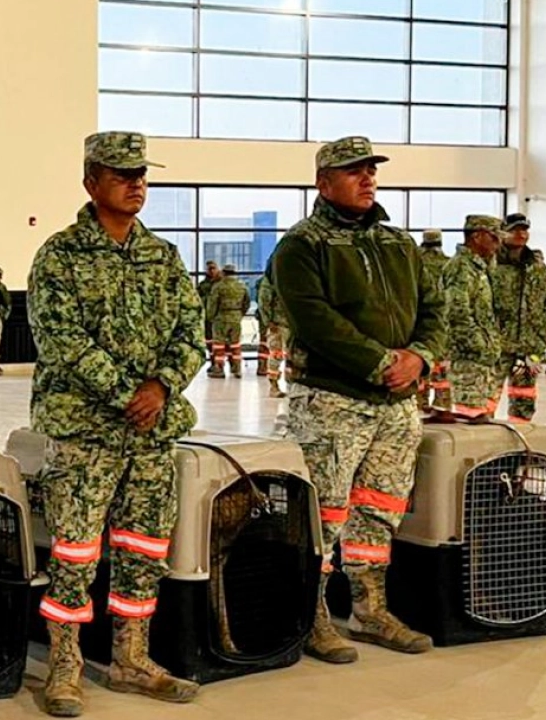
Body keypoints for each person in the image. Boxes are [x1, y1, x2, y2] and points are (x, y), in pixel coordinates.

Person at [28, 131, 205, 715]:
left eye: (140, 175)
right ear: (91, 183)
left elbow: (190, 334)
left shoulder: (163, 256)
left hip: (150, 435)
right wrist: (128, 392)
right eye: (121, 174)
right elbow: (61, 341)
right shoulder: (60, 255)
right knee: (75, 552)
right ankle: (66, 666)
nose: (135, 184)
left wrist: (158, 389)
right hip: (85, 433)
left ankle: (131, 658)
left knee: (143, 548)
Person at [272, 135, 444, 665]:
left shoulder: (398, 243)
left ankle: (370, 611)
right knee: (324, 515)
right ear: (324, 182)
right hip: (331, 400)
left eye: (371, 170)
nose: (367, 179)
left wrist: (420, 357)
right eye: (354, 171)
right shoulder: (302, 246)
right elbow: (316, 321)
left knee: (380, 511)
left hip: (396, 407)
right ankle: (314, 618)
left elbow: (434, 310)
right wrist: (381, 364)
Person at [492, 213, 546, 422]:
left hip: (530, 347)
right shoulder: (491, 264)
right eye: (515, 230)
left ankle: (520, 438)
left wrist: (542, 333)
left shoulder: (536, 267)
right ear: (503, 233)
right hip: (497, 345)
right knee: (486, 396)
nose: (521, 234)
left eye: (524, 230)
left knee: (524, 396)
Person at [440, 216, 505, 421]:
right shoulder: (461, 267)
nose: (498, 243)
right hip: (468, 358)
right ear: (477, 236)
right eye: (494, 237)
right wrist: (478, 345)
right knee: (469, 418)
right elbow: (457, 312)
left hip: (481, 358)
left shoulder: (481, 267)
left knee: (482, 417)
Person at [417, 229, 451, 412]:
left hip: (418, 324)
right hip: (443, 326)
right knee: (443, 373)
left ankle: (419, 406)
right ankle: (442, 407)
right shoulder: (448, 264)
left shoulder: (414, 262)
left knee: (420, 367)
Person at [206, 264, 250, 378]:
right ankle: (237, 369)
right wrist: (240, 314)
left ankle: (219, 369)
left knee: (219, 345)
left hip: (221, 318)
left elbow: (212, 304)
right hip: (236, 318)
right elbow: (247, 303)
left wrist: (210, 317)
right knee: (235, 345)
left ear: (224, 273)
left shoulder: (218, 286)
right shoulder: (242, 286)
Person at [257, 264, 287, 398]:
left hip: (292, 323)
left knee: (295, 356)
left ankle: (291, 384)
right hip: (278, 324)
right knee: (276, 354)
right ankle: (274, 385)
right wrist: (268, 321)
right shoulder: (270, 280)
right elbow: (264, 301)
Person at [197, 261, 222, 375]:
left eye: (213, 268)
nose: (211, 271)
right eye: (209, 269)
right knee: (210, 341)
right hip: (207, 317)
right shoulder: (203, 285)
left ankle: (225, 364)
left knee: (223, 342)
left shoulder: (222, 283)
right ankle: (213, 363)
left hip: (220, 317)